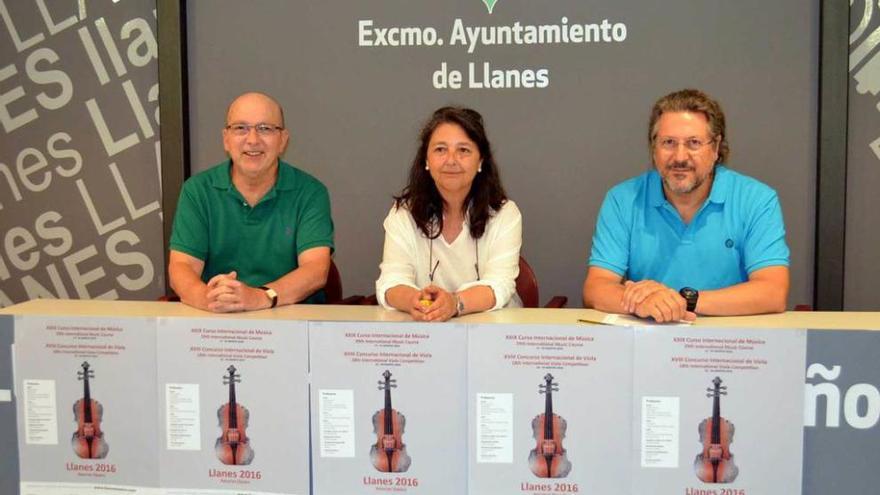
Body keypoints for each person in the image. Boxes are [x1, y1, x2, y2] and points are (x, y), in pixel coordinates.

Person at [582, 89, 789, 322]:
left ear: (715, 147)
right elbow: (596, 288)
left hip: (732, 345)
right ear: (653, 147)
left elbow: (773, 292)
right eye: (668, 142)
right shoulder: (623, 199)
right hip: (651, 338)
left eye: (693, 143)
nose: (680, 157)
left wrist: (682, 301)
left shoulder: (756, 199)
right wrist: (644, 302)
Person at [168, 92, 334, 312]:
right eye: (240, 128)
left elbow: (316, 270)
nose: (253, 139)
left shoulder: (310, 192)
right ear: (226, 139)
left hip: (291, 322)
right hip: (216, 322)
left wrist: (259, 297)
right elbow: (182, 266)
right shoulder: (197, 190)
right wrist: (210, 299)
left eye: (265, 128)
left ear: (283, 140)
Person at [376, 106, 522, 322]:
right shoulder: (403, 214)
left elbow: (500, 285)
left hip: (493, 335)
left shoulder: (504, 214)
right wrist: (414, 301)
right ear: (426, 160)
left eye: (463, 150)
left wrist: (454, 303)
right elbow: (391, 280)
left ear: (481, 161)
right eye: (440, 149)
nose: (451, 160)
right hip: (424, 332)